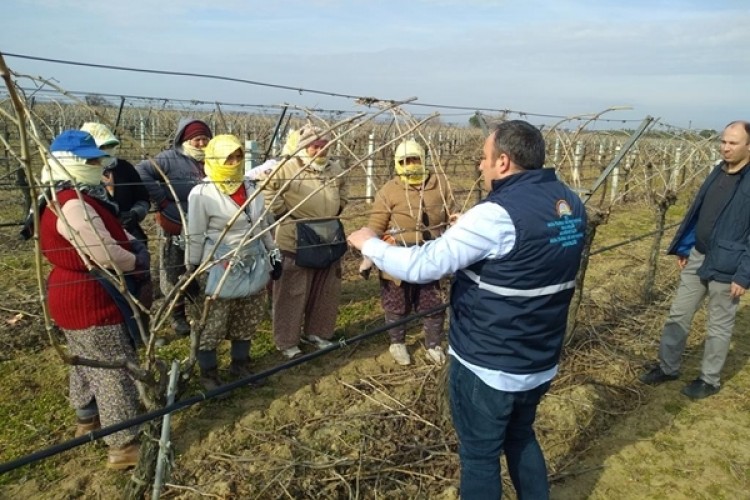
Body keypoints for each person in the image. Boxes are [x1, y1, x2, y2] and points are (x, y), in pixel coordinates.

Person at [349, 120, 587, 499]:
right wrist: (469, 231)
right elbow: (526, 253)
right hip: (540, 358)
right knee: (522, 437)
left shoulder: (494, 215)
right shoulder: (570, 203)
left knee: (479, 457)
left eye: (484, 158)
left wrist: (369, 245)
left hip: (489, 362)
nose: (479, 166)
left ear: (504, 162)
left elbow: (423, 266)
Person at [40, 130, 146, 469]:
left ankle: (87, 418)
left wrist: (127, 240)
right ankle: (123, 445)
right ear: (68, 164)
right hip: (91, 294)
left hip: (70, 293)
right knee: (115, 367)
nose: (97, 165)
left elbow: (105, 230)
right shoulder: (72, 202)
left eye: (96, 158)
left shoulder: (60, 196)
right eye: (88, 160)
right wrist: (135, 260)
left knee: (87, 359)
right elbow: (102, 252)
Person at [640, 120, 750, 399]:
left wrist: (744, 274)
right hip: (699, 255)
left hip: (728, 264)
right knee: (679, 313)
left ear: (748, 146)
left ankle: (709, 379)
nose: (725, 147)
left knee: (718, 325)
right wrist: (686, 247)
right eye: (723, 141)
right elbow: (700, 213)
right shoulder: (718, 171)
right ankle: (668, 367)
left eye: (733, 143)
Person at [185, 135, 281, 390]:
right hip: (220, 262)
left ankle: (241, 365)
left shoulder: (251, 186)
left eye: (238, 156)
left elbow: (263, 226)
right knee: (214, 321)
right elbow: (195, 235)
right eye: (228, 157)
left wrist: (275, 256)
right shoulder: (203, 193)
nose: (234, 162)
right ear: (215, 159)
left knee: (248, 316)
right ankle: (209, 373)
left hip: (254, 258)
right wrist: (192, 270)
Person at [360, 139, 454, 366]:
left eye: (415, 159)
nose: (410, 165)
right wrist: (368, 256)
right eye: (405, 161)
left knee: (432, 302)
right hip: (396, 257)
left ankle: (433, 345)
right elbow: (375, 225)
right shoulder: (389, 190)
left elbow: (453, 214)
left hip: (431, 254)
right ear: (397, 163)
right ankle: (397, 343)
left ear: (423, 160)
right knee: (396, 303)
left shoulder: (439, 184)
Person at [262, 123, 348, 359]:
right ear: (303, 147)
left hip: (328, 235)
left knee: (325, 290)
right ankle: (287, 341)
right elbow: (267, 190)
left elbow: (344, 189)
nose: (319, 150)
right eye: (314, 146)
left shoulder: (335, 168)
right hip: (295, 238)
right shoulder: (288, 167)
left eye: (323, 145)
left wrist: (338, 205)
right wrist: (284, 214)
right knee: (292, 291)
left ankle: (318, 333)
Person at [136, 118, 212, 336]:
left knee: (199, 267)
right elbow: (141, 171)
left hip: (205, 224)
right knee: (173, 268)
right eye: (197, 139)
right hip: (176, 222)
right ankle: (178, 317)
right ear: (185, 140)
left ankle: (199, 308)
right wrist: (162, 200)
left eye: (205, 139)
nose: (201, 144)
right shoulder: (169, 158)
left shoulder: (213, 158)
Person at [80, 122, 150, 243]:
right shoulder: (79, 173)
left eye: (110, 146)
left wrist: (134, 214)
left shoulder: (124, 168)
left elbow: (143, 199)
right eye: (102, 147)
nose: (107, 151)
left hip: (129, 234)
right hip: (94, 238)